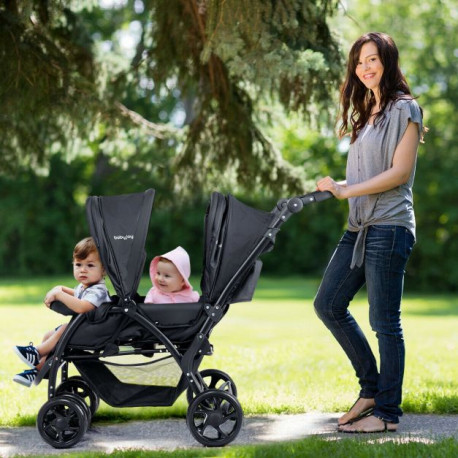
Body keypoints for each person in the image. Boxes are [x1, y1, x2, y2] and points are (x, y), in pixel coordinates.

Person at [314, 32, 425, 433]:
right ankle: (371, 390)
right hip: (359, 228)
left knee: (384, 322)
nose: (365, 67)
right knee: (327, 304)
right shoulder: (368, 113)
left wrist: (347, 190)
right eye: (360, 61)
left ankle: (387, 415)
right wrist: (336, 186)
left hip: (390, 227)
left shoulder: (406, 110)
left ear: (388, 62)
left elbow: (399, 174)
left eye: (373, 59)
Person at [13, 237, 110, 387]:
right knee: (49, 335)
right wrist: (59, 288)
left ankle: (37, 353)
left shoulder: (98, 290)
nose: (83, 269)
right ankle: (37, 371)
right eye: (78, 264)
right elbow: (75, 294)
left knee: (64, 329)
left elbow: (82, 306)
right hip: (86, 329)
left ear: (103, 269)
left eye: (90, 265)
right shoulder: (85, 287)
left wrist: (59, 295)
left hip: (96, 333)